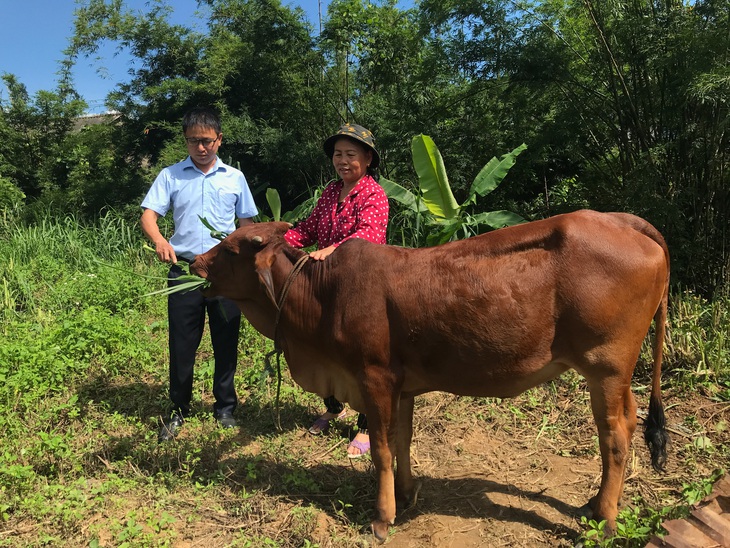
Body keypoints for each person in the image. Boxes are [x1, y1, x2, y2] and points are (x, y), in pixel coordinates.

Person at [140, 106, 258, 443]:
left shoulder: (234, 178)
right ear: (186, 141)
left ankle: (225, 407)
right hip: (185, 269)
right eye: (193, 141)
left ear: (219, 140)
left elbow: (246, 225)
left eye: (206, 141)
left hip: (224, 273)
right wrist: (161, 241)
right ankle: (178, 409)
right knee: (182, 342)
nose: (201, 147)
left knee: (226, 338)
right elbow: (149, 215)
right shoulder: (171, 175)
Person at [284, 123, 389, 458]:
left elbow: (368, 236)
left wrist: (331, 251)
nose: (343, 161)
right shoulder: (331, 192)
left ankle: (365, 422)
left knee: (358, 355)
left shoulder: (374, 194)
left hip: (360, 287)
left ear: (368, 158)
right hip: (325, 284)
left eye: (351, 154)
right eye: (338, 154)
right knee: (323, 348)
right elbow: (309, 229)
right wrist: (279, 245)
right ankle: (333, 405)